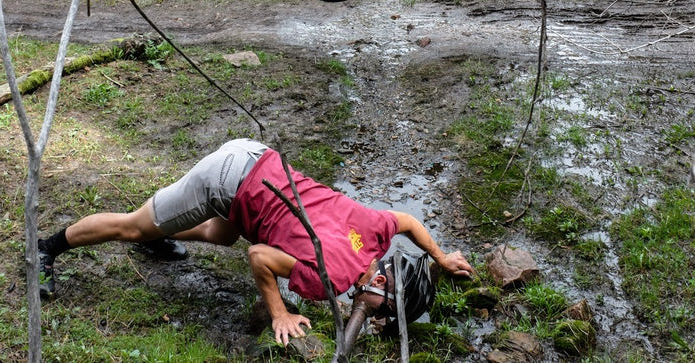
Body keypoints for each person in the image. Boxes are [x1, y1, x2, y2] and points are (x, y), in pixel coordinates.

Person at [36, 138, 473, 346]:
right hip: (226, 181)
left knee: (218, 233)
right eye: (385, 316)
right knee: (132, 226)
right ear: (380, 285)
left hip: (257, 158)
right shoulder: (329, 277)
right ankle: (47, 248)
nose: (378, 323)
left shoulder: (375, 235)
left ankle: (159, 235)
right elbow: (259, 255)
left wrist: (439, 257)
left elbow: (407, 221)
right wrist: (279, 314)